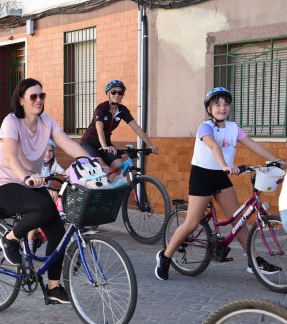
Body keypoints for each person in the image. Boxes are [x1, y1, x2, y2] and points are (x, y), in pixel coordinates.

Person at [155, 87, 286, 281]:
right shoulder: (205, 127)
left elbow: (253, 144)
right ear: (209, 109)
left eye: (226, 104)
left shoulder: (233, 128)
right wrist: (225, 164)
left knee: (238, 219)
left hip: (221, 176)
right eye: (217, 104)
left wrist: (279, 161)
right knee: (192, 222)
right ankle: (165, 257)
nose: (222, 108)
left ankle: (254, 261)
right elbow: (213, 145)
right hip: (202, 176)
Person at [0, 78, 93, 304]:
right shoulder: (11, 122)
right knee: (44, 208)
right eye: (33, 96)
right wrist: (26, 176)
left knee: (57, 228)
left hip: (32, 183)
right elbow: (11, 158)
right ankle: (10, 238)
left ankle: (53, 287)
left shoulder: (46, 122)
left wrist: (90, 162)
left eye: (41, 96)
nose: (39, 100)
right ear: (21, 100)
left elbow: (67, 143)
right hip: (5, 183)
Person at [80, 80, 158, 171]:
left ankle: (115, 183)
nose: (117, 95)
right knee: (101, 168)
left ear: (122, 95)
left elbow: (136, 128)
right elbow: (99, 128)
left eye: (120, 93)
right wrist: (104, 146)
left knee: (119, 168)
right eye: (113, 92)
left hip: (107, 144)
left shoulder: (122, 110)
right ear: (108, 94)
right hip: (89, 143)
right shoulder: (101, 108)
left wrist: (150, 145)